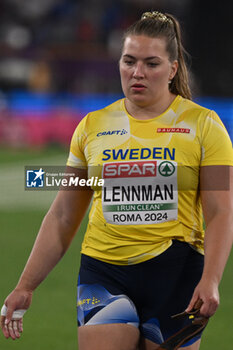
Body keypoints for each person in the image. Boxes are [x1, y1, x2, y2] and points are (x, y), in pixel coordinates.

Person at [1, 10, 233, 350]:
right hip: (103, 272)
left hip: (176, 274)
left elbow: (220, 213)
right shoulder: (92, 126)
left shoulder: (204, 126)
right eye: (129, 61)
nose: (137, 72)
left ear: (173, 68)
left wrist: (211, 281)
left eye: (151, 63)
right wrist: (26, 285)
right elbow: (64, 213)